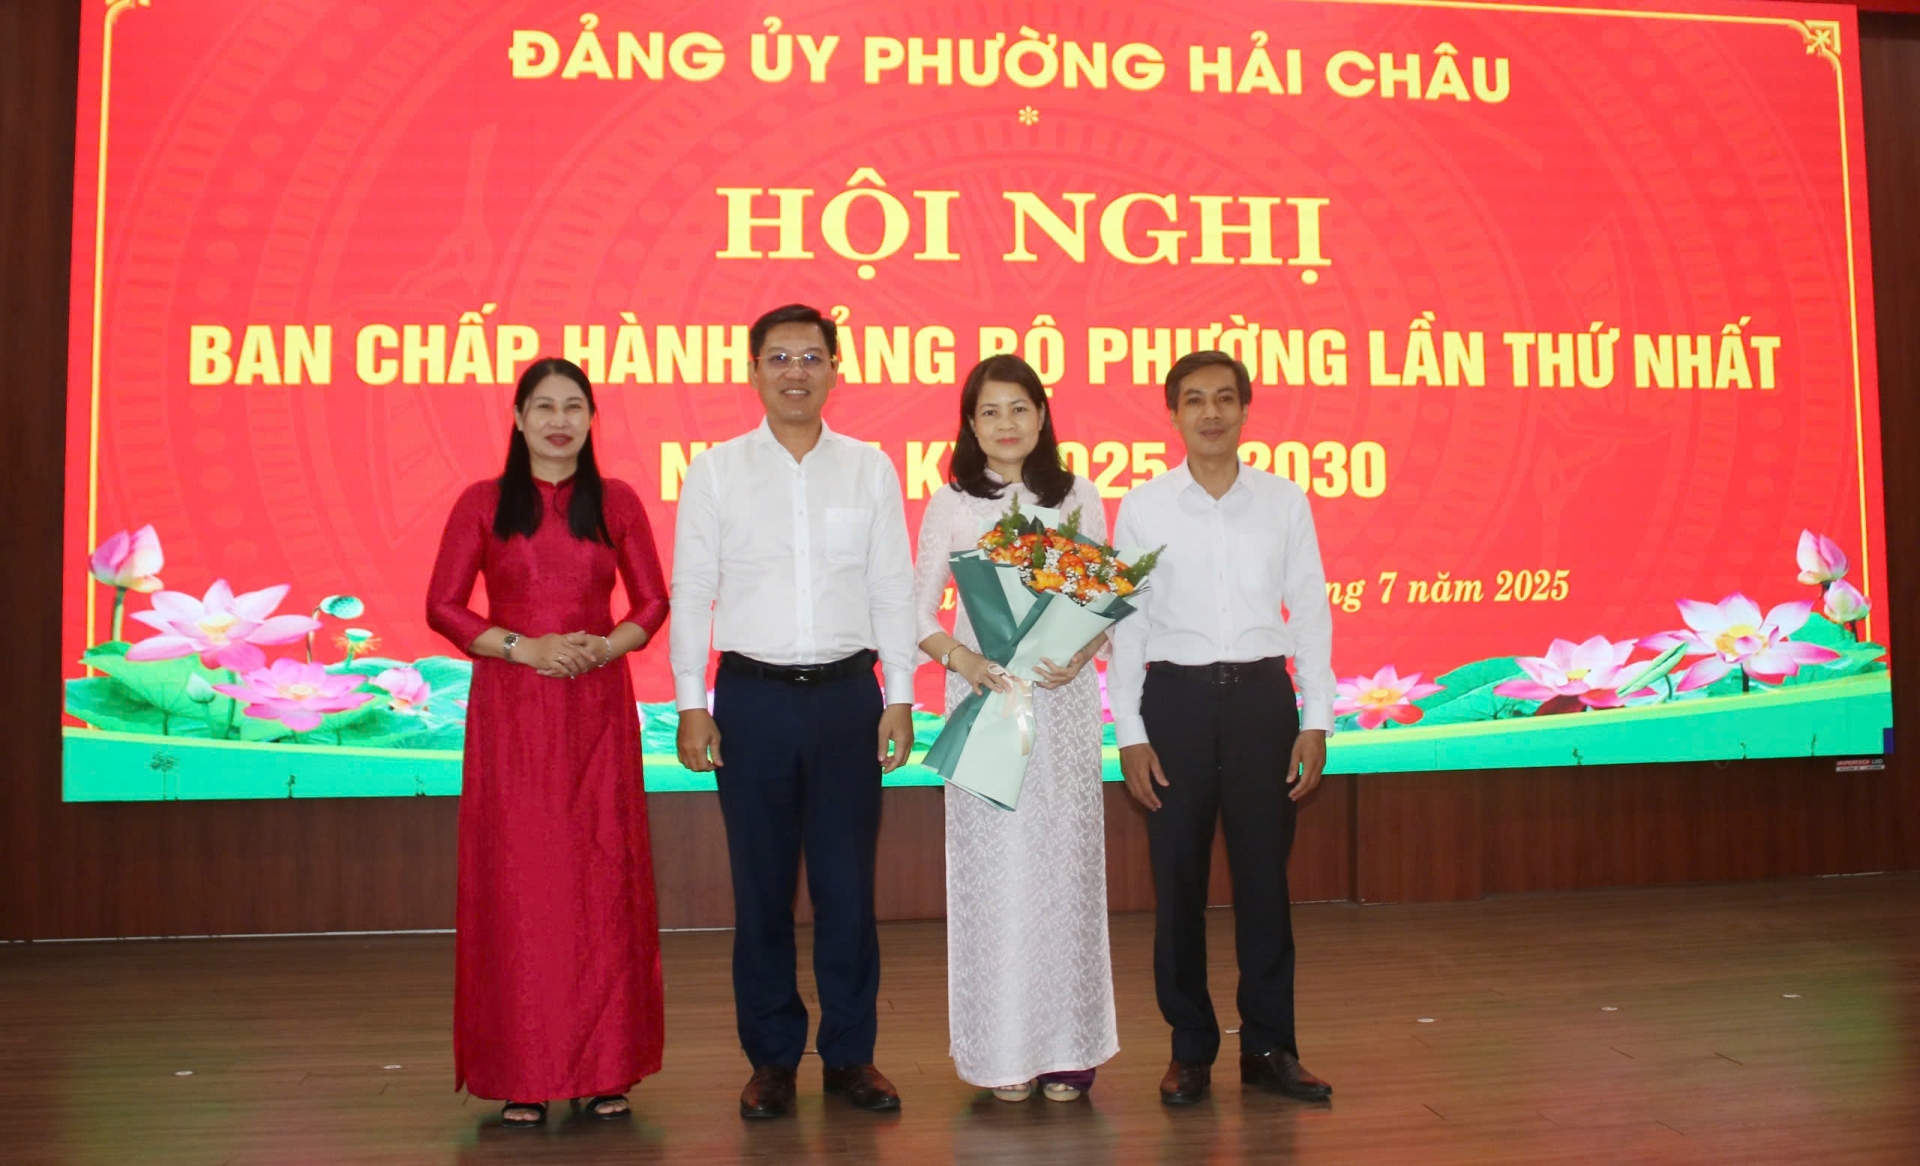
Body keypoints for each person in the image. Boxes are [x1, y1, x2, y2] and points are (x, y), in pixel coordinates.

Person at [670, 303, 918, 1119]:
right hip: (752, 701)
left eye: (811, 357)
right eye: (778, 358)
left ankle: (850, 1055)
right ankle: (772, 1059)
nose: (795, 372)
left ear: (836, 370)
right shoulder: (716, 471)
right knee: (762, 890)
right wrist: (691, 703)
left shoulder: (869, 468)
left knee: (848, 890)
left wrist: (900, 696)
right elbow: (692, 592)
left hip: (850, 698)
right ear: (753, 372)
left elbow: (891, 588)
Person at [425, 357, 670, 1128]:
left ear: (592, 420)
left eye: (573, 407)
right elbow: (442, 606)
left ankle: (606, 1070)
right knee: (521, 883)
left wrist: (605, 646)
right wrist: (520, 647)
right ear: (518, 419)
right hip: (514, 709)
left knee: (601, 880)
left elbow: (653, 601)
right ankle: (521, 1072)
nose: (559, 421)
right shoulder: (484, 502)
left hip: (597, 708)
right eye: (543, 407)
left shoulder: (617, 501)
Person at [1108, 350, 1337, 1106]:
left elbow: (1310, 610)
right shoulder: (1144, 506)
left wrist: (1316, 718)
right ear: (1173, 413)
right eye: (1195, 400)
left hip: (1263, 704)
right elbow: (1128, 624)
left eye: (1225, 398)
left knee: (1264, 883)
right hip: (1174, 704)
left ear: (1245, 408)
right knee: (1177, 885)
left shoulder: (1283, 500)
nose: (1211, 413)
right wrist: (1130, 732)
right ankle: (1189, 1050)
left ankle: (1271, 1047)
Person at [912, 354, 1118, 1103]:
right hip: (988, 705)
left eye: (1019, 408)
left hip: (1062, 710)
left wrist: (1082, 649)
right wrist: (965, 660)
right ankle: (1003, 1051)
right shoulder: (952, 504)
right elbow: (915, 613)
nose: (1006, 424)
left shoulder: (1078, 496)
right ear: (971, 425)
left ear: (1042, 416)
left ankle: (1068, 1048)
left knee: (1065, 873)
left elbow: (1104, 603)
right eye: (990, 411)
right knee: (996, 880)